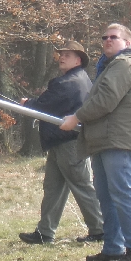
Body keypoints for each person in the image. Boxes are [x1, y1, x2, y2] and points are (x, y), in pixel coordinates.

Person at [60, 24, 131, 261]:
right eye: (105, 37)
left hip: (119, 140)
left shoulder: (125, 64)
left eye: (114, 37)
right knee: (107, 197)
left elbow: (105, 100)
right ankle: (113, 248)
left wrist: (77, 117)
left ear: (128, 43)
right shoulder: (111, 66)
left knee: (123, 193)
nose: (108, 40)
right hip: (105, 139)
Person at [18, 40, 104, 245]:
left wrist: (27, 103)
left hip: (70, 143)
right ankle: (45, 232)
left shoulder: (68, 83)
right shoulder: (80, 79)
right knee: (53, 188)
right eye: (61, 54)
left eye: (67, 55)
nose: (62, 57)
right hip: (60, 142)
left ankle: (101, 229)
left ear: (78, 60)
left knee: (82, 186)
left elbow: (44, 105)